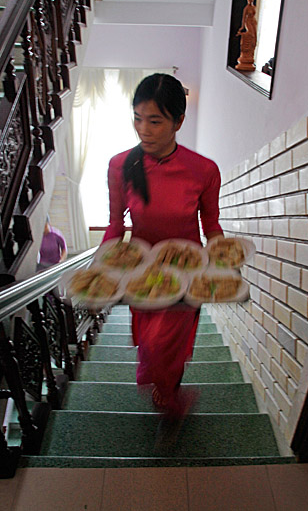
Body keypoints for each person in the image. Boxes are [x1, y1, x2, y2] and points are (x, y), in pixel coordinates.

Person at [103, 73, 223, 437]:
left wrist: (221, 262)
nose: (144, 129)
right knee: (151, 344)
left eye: (155, 121)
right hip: (142, 273)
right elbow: (115, 224)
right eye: (137, 118)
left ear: (178, 122)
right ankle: (170, 394)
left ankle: (171, 400)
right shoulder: (120, 164)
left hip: (187, 272)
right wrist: (103, 265)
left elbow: (211, 225)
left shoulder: (203, 170)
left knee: (163, 345)